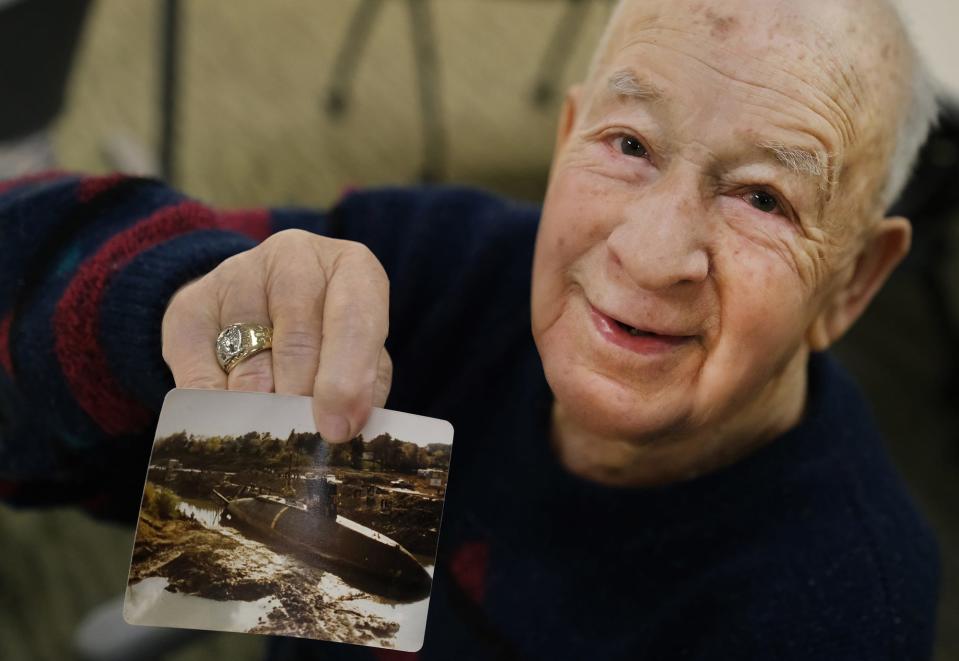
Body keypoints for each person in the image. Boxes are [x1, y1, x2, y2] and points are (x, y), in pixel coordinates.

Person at [0, 0, 942, 658]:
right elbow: (74, 464)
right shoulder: (430, 281)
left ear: (851, 283)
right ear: (567, 133)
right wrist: (166, 310)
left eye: (764, 198)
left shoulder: (836, 600)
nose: (651, 254)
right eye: (627, 144)